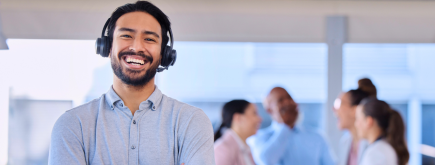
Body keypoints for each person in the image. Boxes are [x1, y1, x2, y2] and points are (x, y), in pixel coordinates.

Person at [48, 1, 215, 165]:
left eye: (149, 39)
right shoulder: (72, 124)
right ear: (107, 47)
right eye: (126, 36)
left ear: (164, 54)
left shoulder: (191, 122)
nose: (136, 47)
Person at [247, 87, 334, 165]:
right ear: (269, 110)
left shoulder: (317, 137)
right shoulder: (259, 137)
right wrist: (285, 126)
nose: (287, 102)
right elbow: (266, 161)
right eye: (280, 100)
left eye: (289, 98)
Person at [332, 78, 375, 165]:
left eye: (340, 103)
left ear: (355, 110)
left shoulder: (373, 144)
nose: (334, 109)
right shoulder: (345, 143)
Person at [354, 98, 409, 165]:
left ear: (368, 121)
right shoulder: (383, 148)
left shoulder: (376, 153)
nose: (356, 124)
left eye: (358, 119)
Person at [214, 100, 262, 165]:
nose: (260, 119)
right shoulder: (222, 149)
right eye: (254, 113)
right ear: (238, 118)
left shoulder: (245, 148)